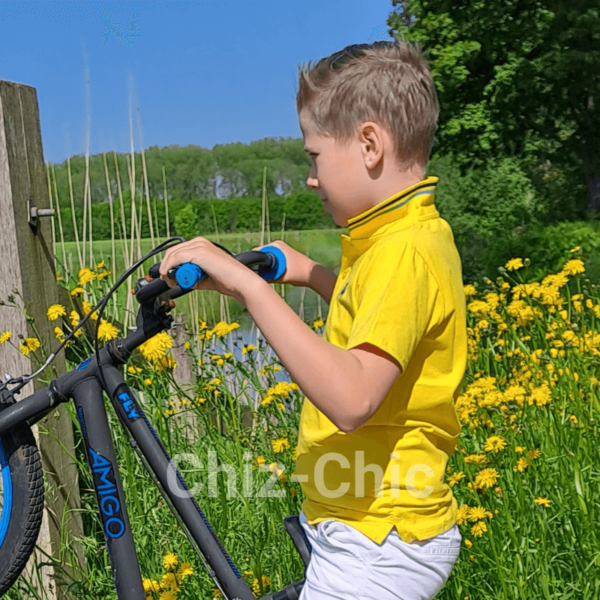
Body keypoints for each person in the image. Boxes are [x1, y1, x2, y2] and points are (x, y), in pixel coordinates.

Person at [160, 39, 467, 600]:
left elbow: (352, 399)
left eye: (314, 157)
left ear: (370, 144)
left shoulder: (403, 251)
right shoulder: (404, 237)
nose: (309, 177)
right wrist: (309, 275)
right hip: (367, 526)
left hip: (377, 542)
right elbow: (376, 320)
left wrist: (249, 288)